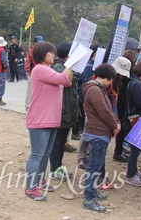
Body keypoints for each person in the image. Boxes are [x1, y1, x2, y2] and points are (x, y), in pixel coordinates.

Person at [24, 41, 72, 201]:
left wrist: (70, 65)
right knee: (37, 154)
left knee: (45, 154)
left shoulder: (48, 71)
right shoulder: (39, 69)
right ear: (42, 55)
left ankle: (39, 181)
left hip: (50, 120)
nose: (53, 55)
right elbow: (64, 79)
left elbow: (68, 81)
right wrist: (71, 63)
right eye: (50, 52)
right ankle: (30, 188)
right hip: (40, 119)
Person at [81, 63, 120, 212]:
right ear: (108, 78)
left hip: (99, 132)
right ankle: (89, 198)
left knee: (96, 165)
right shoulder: (95, 90)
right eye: (111, 80)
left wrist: (115, 122)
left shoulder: (96, 88)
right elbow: (104, 111)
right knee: (94, 167)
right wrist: (114, 125)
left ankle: (92, 191)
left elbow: (107, 110)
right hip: (98, 132)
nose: (111, 83)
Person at [49, 42, 80, 180]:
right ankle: (54, 169)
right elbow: (66, 81)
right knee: (57, 142)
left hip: (67, 111)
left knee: (61, 142)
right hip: (61, 110)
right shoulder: (58, 67)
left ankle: (59, 167)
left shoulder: (69, 68)